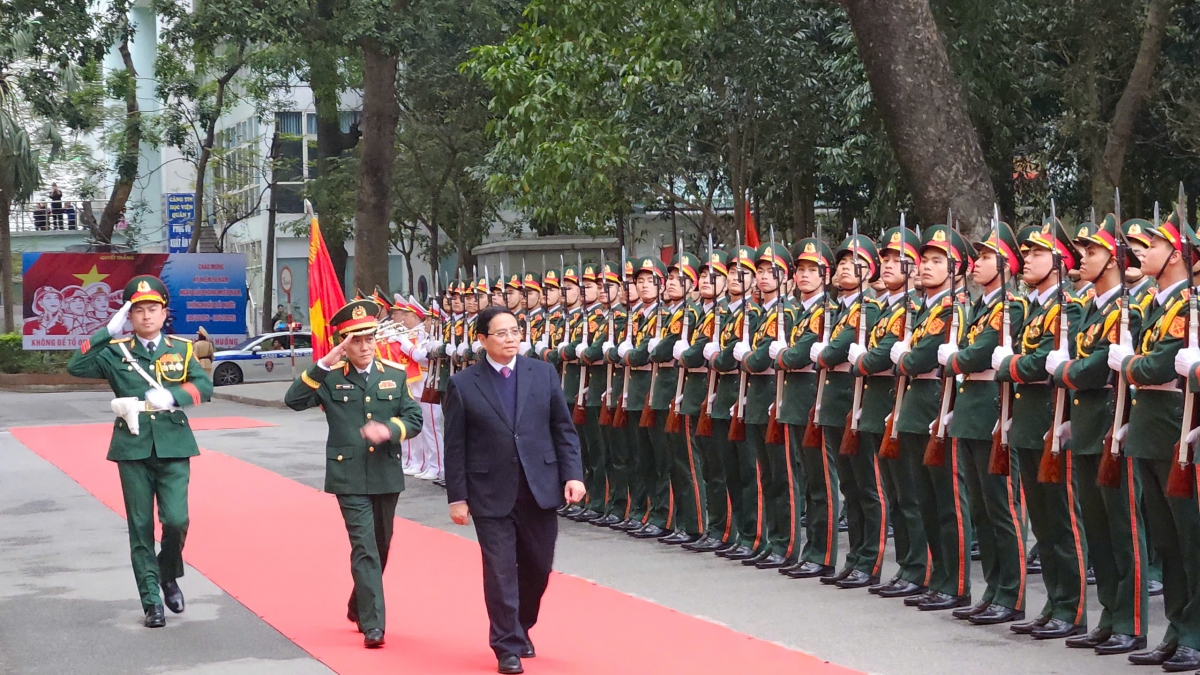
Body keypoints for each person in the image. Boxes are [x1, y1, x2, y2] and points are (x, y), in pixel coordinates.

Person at [443, 305, 584, 675]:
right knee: (501, 570)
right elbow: (455, 445)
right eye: (501, 333)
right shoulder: (463, 383)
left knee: (538, 567)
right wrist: (457, 497)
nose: (510, 339)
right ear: (482, 339)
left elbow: (563, 430)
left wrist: (574, 475)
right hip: (489, 491)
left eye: (515, 331)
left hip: (540, 487)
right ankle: (506, 644)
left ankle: (521, 625)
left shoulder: (543, 373)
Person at [66, 275, 213, 628]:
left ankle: (167, 573)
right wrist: (106, 331)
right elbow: (75, 366)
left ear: (164, 313)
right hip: (131, 445)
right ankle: (152, 602)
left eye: (153, 309)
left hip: (174, 444)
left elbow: (205, 386)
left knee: (177, 520)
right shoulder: (116, 352)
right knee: (141, 525)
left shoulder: (181, 349)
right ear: (129, 317)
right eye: (138, 310)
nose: (146, 316)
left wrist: (174, 397)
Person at [284, 299, 424, 649]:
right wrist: (323, 364)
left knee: (381, 545)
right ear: (344, 345)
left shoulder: (393, 374)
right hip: (348, 476)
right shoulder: (330, 378)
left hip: (385, 473)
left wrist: (389, 430)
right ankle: (374, 624)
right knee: (364, 547)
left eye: (369, 339)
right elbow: (293, 400)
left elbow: (414, 419)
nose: (364, 347)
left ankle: (357, 602)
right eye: (355, 341)